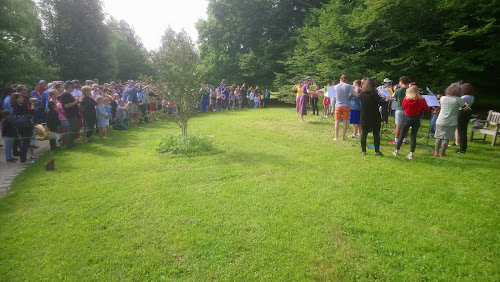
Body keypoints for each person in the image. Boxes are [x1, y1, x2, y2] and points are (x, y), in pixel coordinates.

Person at [392, 86, 430, 159]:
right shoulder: (422, 100)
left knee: (402, 134)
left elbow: (404, 107)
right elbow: (427, 109)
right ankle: (411, 154)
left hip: (408, 118)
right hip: (416, 118)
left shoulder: (406, 100)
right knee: (413, 136)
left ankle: (396, 151)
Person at [432, 82, 466, 157]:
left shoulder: (443, 98)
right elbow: (464, 107)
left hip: (441, 119)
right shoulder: (458, 99)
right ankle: (442, 153)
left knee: (438, 137)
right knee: (446, 138)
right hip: (451, 121)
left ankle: (436, 152)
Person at [359, 78, 386, 156]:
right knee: (376, 134)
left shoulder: (362, 94)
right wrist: (386, 99)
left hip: (364, 116)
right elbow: (381, 103)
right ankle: (377, 151)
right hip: (374, 116)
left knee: (364, 134)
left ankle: (363, 151)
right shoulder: (374, 94)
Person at [10, 93, 36, 163]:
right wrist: (33, 105)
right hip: (24, 126)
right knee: (25, 143)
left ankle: (24, 159)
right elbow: (30, 113)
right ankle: (23, 159)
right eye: (21, 97)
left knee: (25, 143)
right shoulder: (18, 107)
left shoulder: (20, 105)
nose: (23, 99)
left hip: (24, 126)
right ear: (16, 99)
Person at [455, 83, 475, 153]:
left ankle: (462, 148)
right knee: (463, 130)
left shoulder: (464, 97)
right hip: (466, 113)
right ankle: (463, 146)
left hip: (462, 113)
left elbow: (457, 103)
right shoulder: (471, 96)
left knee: (461, 131)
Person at [389, 76, 410, 145]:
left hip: (399, 108)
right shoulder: (409, 90)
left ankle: (396, 140)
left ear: (401, 82)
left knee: (398, 125)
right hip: (407, 109)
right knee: (406, 125)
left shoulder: (399, 90)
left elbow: (393, 97)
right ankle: (404, 140)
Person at [333, 75, 354, 141]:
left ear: (340, 79)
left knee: (337, 122)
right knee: (345, 122)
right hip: (346, 105)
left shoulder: (335, 86)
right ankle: (343, 137)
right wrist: (356, 88)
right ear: (346, 80)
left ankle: (336, 137)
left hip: (338, 105)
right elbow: (355, 94)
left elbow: (332, 95)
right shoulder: (348, 86)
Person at [60, 81, 80, 149]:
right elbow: (66, 105)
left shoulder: (69, 94)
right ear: (68, 87)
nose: (73, 88)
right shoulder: (65, 95)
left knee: (74, 129)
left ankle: (71, 143)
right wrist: (76, 101)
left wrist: (77, 101)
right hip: (70, 114)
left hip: (74, 114)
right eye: (72, 87)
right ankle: (69, 145)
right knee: (71, 130)